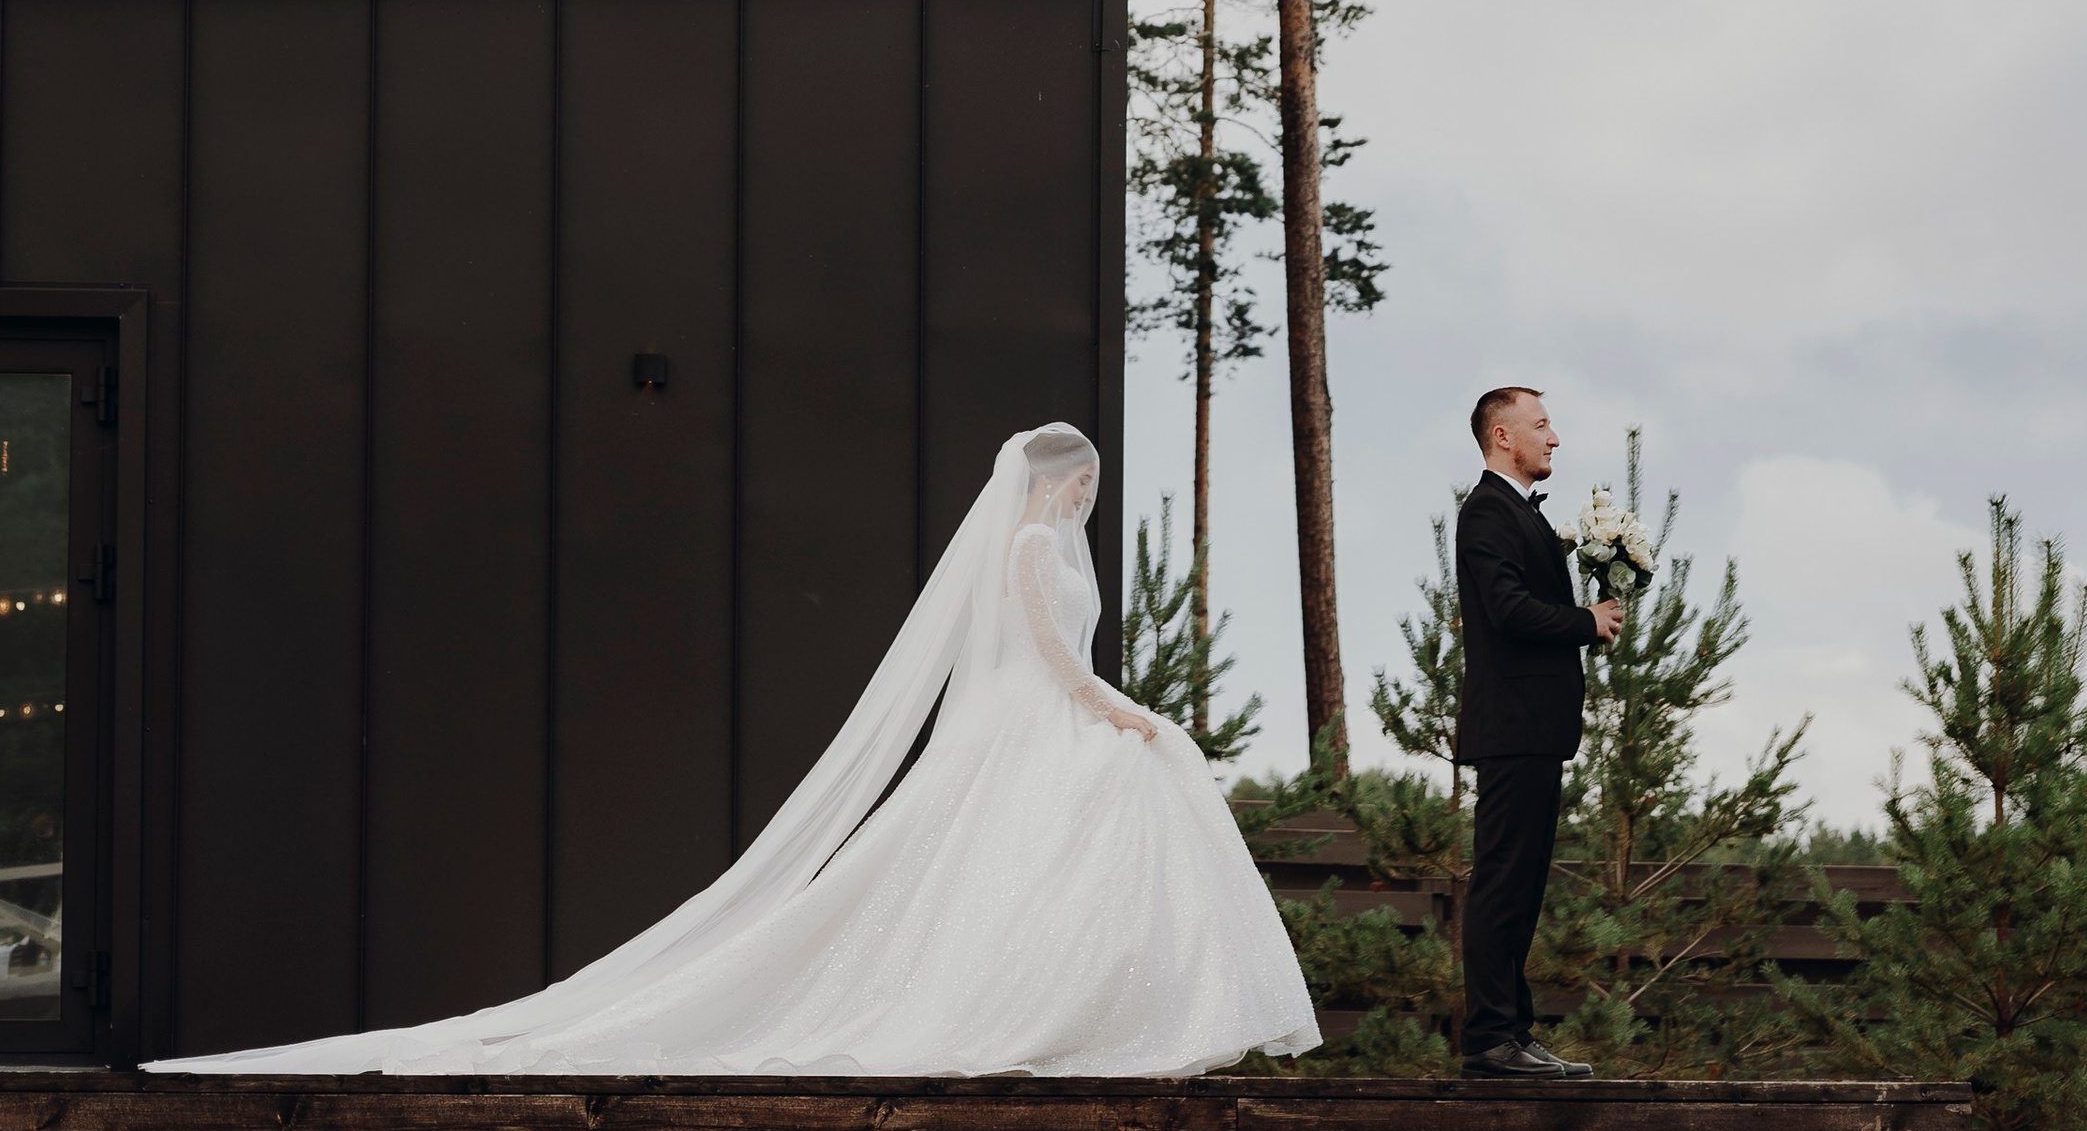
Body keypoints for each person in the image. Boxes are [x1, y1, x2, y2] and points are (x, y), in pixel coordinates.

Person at [146, 422, 1317, 1081]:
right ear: (1052, 479)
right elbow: (1049, 653)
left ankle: (1096, 1005)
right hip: (1038, 712)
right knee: (1076, 812)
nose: (1084, 496)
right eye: (1080, 481)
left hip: (1060, 712)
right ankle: (1042, 1004)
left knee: (1090, 835)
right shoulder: (1023, 550)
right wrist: (1109, 705)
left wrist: (1109, 707)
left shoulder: (1059, 549)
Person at [1453, 381, 1622, 1079]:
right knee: (1503, 884)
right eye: (1542, 425)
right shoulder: (1486, 511)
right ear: (1503, 436)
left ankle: (1512, 1033)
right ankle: (1490, 1039)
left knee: (1522, 888)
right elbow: (1508, 609)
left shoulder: (1517, 511)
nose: (1554, 438)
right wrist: (1587, 621)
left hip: (1536, 729)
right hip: (1513, 726)